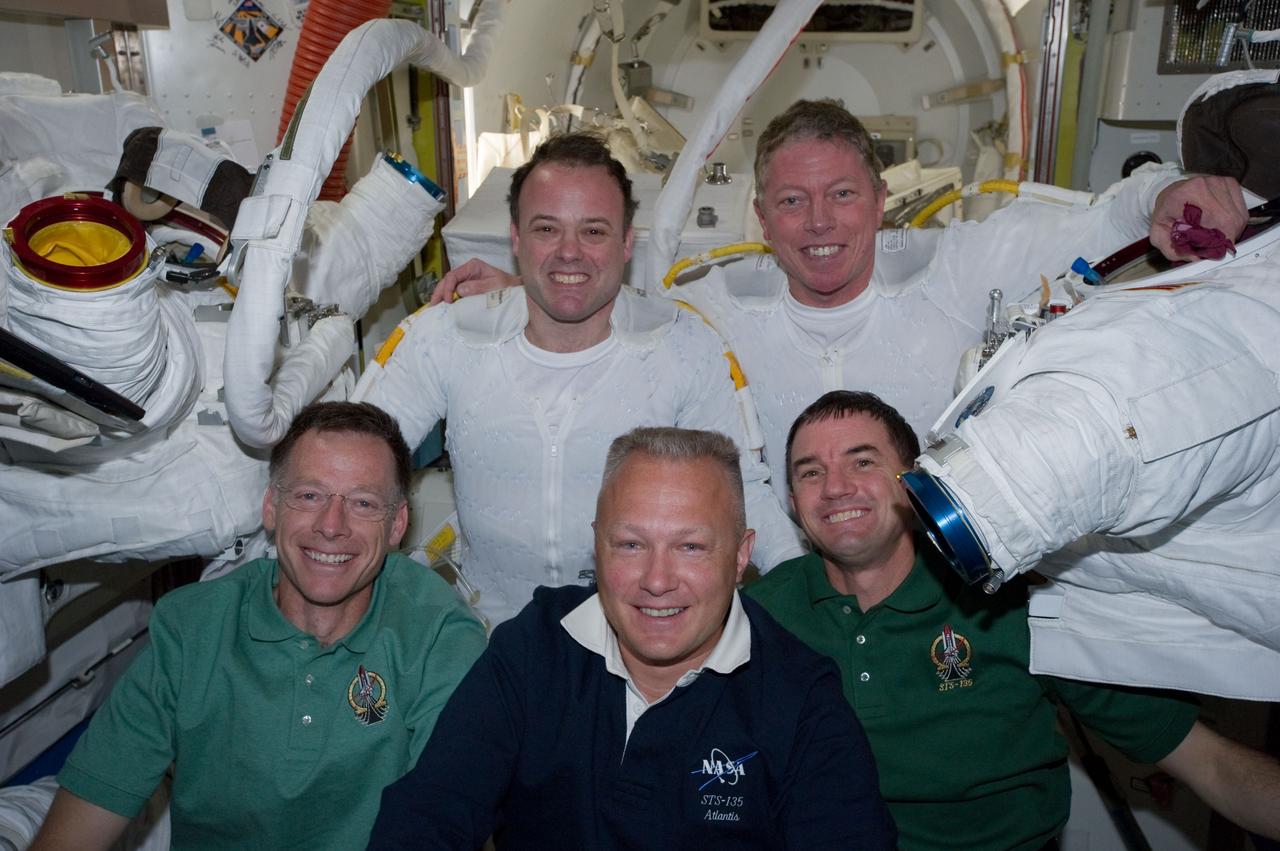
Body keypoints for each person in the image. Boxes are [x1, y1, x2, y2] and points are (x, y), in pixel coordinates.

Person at [432, 99, 1248, 509]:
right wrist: (531, 295)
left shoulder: (952, 270)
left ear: (881, 200)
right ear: (761, 218)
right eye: (792, 202)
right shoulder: (717, 307)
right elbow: (615, 309)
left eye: (842, 195)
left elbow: (1104, 218)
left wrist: (1164, 196)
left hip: (931, 586)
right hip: (780, 599)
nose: (819, 223)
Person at [744, 390, 1280, 851]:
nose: (835, 487)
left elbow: (1209, 763)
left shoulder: (1015, 602)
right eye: (811, 472)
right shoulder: (759, 616)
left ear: (912, 482)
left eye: (862, 462)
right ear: (794, 503)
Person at [366, 426, 896, 850]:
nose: (657, 580)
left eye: (690, 547)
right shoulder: (534, 648)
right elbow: (430, 813)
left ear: (740, 556)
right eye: (630, 544)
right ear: (596, 547)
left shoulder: (801, 698)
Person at [352, 132, 804, 627]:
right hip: (484, 638)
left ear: (627, 242)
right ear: (516, 239)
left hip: (636, 639)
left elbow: (743, 492)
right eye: (547, 229)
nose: (570, 252)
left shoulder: (684, 346)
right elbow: (349, 461)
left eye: (593, 231)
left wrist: (808, 592)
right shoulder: (446, 338)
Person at [30, 402, 487, 851]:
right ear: (271, 507)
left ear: (397, 525)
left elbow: (448, 813)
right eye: (309, 495)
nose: (331, 526)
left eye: (363, 503)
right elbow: (76, 828)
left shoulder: (437, 635)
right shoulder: (191, 630)